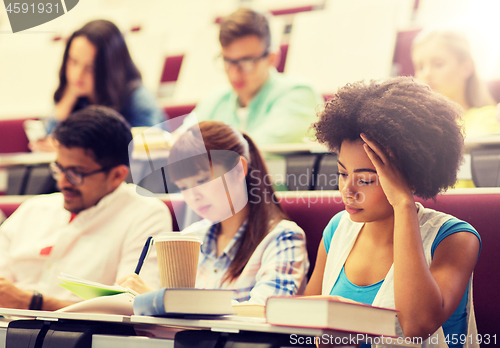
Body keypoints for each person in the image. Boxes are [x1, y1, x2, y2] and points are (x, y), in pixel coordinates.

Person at [305, 77, 480, 348]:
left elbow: (416, 326)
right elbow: (304, 326)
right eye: (342, 173)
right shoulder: (337, 229)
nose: (347, 190)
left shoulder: (455, 238)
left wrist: (403, 204)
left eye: (365, 180)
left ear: (409, 176)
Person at [0, 106, 172, 310]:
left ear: (117, 175)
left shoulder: (145, 214)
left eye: (76, 173)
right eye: (59, 168)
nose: (63, 182)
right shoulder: (35, 208)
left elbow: (132, 307)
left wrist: (31, 303)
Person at [119, 120, 309, 305]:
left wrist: (168, 302)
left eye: (202, 181)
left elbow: (264, 314)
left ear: (238, 169)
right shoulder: (189, 238)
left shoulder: (283, 238)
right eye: (183, 187)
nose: (193, 196)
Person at [178, 8, 323, 145]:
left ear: (272, 59)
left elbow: (253, 151)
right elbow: (178, 144)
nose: (234, 73)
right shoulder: (215, 100)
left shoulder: (299, 94)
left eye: (246, 62)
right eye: (228, 61)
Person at [31, 19, 166, 152]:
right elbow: (50, 141)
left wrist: (73, 148)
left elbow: (147, 149)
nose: (78, 75)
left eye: (90, 68)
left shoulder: (139, 98)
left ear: (111, 69)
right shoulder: (76, 95)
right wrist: (64, 106)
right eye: (73, 62)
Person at [412, 29, 498, 137]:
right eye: (420, 67)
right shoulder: (418, 124)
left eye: (438, 64)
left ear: (466, 68)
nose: (426, 74)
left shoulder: (488, 117)